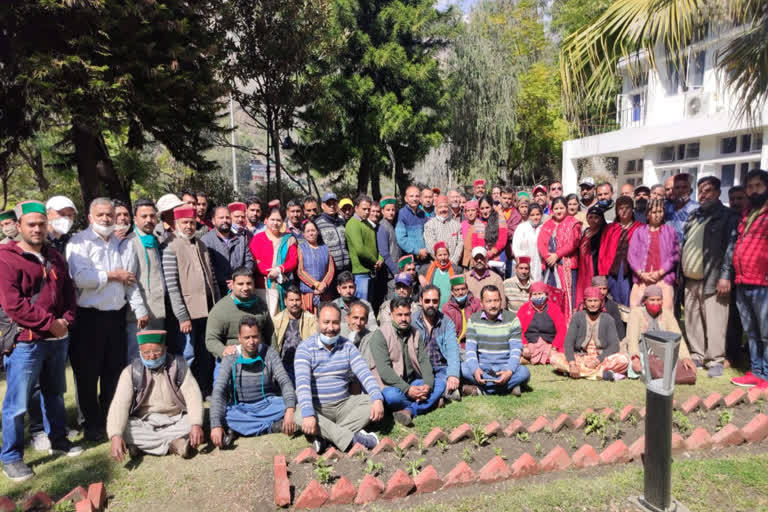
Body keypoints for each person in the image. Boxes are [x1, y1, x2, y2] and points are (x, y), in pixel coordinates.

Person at [0, 200, 82, 481]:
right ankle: (11, 457)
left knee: (55, 393)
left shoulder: (55, 256)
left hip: (57, 340)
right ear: (19, 226)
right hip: (27, 341)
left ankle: (58, 440)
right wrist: (51, 324)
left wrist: (67, 321)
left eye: (41, 224)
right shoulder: (5, 258)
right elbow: (14, 305)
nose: (37, 229)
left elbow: (69, 293)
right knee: (17, 402)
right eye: (31, 224)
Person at [68, 198, 148, 441]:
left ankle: (110, 419)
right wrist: (112, 275)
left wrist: (139, 308)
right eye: (100, 215)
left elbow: (130, 280)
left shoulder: (120, 244)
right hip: (89, 318)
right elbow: (81, 278)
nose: (106, 219)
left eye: (109, 215)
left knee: (114, 372)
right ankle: (91, 424)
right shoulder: (78, 242)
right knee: (88, 373)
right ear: (90, 217)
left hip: (116, 317)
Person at [293, 303, 384, 452]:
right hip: (319, 408)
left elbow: (364, 372)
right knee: (299, 414)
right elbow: (302, 385)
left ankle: (326, 439)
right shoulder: (305, 349)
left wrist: (377, 398)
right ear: (317, 322)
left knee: (371, 401)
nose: (330, 328)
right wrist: (309, 415)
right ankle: (354, 439)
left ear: (340, 323)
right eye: (326, 322)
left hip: (344, 405)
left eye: (335, 322)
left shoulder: (347, 346)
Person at [107, 330, 204, 461]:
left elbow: (194, 397)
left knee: (194, 421)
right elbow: (120, 404)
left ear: (165, 349)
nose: (152, 356)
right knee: (123, 429)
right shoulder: (130, 372)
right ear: (140, 351)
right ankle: (173, 444)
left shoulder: (180, 366)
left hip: (175, 419)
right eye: (146, 353)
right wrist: (115, 436)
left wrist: (196, 425)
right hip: (145, 421)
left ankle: (143, 446)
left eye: (157, 351)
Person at [681, 176, 739, 378]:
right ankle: (697, 354)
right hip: (690, 278)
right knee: (692, 319)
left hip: (713, 278)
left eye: (708, 191)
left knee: (716, 321)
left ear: (717, 193)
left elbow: (730, 249)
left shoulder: (727, 216)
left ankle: (715, 359)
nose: (703, 195)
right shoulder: (694, 215)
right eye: (701, 191)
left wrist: (725, 275)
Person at [209, 317, 296, 448]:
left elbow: (284, 381)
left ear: (260, 336)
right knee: (224, 415)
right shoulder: (230, 357)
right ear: (239, 338)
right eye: (247, 337)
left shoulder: (269, 353)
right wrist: (216, 424)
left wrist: (289, 409)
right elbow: (219, 389)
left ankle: (241, 430)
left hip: (268, 405)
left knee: (297, 403)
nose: (251, 342)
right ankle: (273, 426)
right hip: (241, 409)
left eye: (255, 337)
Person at [163, 205, 219, 397]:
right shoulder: (170, 247)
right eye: (184, 222)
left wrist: (216, 306)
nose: (188, 226)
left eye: (192, 222)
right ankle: (182, 393)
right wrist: (182, 316)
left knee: (205, 353)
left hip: (208, 310)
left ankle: (203, 388)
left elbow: (211, 278)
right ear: (177, 224)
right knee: (188, 354)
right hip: (187, 314)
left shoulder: (202, 245)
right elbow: (172, 286)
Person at [367, 297, 443, 426]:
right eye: (399, 315)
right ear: (391, 315)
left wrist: (427, 386)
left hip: (412, 382)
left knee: (440, 383)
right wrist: (408, 390)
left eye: (407, 315)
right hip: (390, 385)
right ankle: (430, 402)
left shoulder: (415, 333)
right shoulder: (380, 335)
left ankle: (409, 410)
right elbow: (384, 371)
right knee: (392, 397)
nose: (403, 319)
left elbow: (424, 361)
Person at [731, 169, 768, 389]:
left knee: (766, 333)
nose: (754, 190)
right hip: (744, 281)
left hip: (763, 284)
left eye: (758, 186)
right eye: (750, 186)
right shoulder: (747, 213)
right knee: (751, 332)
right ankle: (756, 371)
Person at [204, 267, 274, 382]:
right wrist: (223, 350)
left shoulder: (260, 305)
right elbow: (211, 339)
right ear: (232, 285)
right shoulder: (220, 309)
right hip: (231, 360)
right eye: (240, 284)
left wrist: (273, 359)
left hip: (258, 359)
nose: (245, 288)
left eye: (249, 283)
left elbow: (270, 333)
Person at [460, 285, 531, 396]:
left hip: (504, 367)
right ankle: (507, 388)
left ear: (501, 301)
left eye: (496, 301)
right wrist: (475, 370)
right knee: (463, 369)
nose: (493, 305)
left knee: (524, 372)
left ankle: (482, 390)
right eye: (489, 301)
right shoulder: (473, 320)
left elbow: (516, 350)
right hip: (482, 368)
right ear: (482, 304)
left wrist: (509, 371)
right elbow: (470, 350)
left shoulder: (512, 319)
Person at [551, 287, 628, 380]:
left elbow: (614, 346)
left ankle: (582, 373)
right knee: (554, 358)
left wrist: (597, 361)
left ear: (601, 302)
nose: (592, 304)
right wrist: (572, 364)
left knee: (623, 360)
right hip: (580, 358)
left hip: (601, 359)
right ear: (584, 302)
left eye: (596, 301)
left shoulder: (608, 319)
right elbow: (568, 343)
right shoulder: (577, 317)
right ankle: (601, 374)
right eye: (589, 301)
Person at [623, 286, 697, 384]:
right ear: (645, 301)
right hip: (640, 354)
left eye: (659, 299)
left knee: (678, 366)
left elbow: (678, 337)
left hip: (661, 355)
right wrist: (635, 358)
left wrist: (685, 357)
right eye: (652, 300)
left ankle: (661, 374)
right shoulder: (636, 313)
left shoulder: (667, 314)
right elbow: (632, 339)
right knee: (630, 364)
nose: (656, 303)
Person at [124, 199, 166, 362]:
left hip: (157, 310)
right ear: (135, 219)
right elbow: (129, 280)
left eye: (152, 216)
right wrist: (140, 310)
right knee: (138, 357)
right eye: (144, 216)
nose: (149, 220)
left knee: (156, 356)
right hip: (140, 315)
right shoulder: (130, 242)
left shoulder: (155, 240)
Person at [627, 198, 679, 309]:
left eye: (660, 212)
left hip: (663, 278)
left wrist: (659, 273)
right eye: (654, 212)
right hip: (642, 279)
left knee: (666, 311)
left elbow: (674, 256)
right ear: (647, 214)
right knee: (636, 309)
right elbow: (632, 256)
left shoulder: (670, 231)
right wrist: (641, 274)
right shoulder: (639, 232)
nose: (657, 215)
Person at [413, 286, 461, 402]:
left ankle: (438, 394)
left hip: (441, 369)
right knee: (417, 385)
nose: (431, 304)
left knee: (447, 379)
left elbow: (453, 350)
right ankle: (440, 396)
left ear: (439, 301)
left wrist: (453, 375)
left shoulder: (446, 322)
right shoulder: (412, 321)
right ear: (421, 301)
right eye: (427, 301)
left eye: (435, 301)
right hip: (420, 371)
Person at [538, 197, 581, 322]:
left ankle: (566, 324)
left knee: (566, 297)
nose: (559, 211)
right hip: (550, 267)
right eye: (556, 208)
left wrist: (556, 255)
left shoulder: (573, 223)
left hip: (566, 267)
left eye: (561, 208)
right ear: (552, 210)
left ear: (566, 208)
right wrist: (547, 257)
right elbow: (541, 243)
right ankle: (550, 323)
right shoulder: (547, 224)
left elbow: (573, 243)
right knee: (550, 295)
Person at [249, 205, 298, 315]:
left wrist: (279, 269)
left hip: (284, 285)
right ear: (266, 220)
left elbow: (293, 260)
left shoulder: (288, 239)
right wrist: (270, 272)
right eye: (272, 219)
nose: (275, 223)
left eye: (278, 220)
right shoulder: (258, 238)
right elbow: (255, 260)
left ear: (282, 222)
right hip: (263, 286)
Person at [598, 196, 642, 308]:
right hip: (612, 270)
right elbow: (603, 251)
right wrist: (602, 273)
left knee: (630, 300)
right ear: (617, 210)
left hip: (632, 272)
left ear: (632, 209)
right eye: (620, 208)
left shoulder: (640, 228)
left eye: (627, 208)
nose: (624, 211)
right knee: (612, 301)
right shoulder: (610, 228)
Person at [201, 206, 255, 299]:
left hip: (240, 290)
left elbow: (249, 261)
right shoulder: (206, 241)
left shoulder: (241, 239)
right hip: (217, 291)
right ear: (213, 221)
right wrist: (227, 282)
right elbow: (207, 267)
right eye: (221, 218)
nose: (225, 220)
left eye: (227, 217)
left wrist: (238, 279)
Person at [272, 285, 317, 380]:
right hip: (284, 365)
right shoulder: (277, 320)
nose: (294, 303)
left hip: (304, 364)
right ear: (285, 301)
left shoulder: (311, 319)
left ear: (302, 301)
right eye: (291, 300)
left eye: (297, 300)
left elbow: (314, 343)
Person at [517, 281, 566, 364]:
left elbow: (562, 329)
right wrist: (524, 346)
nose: (537, 296)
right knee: (518, 351)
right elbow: (517, 329)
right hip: (530, 344)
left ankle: (529, 359)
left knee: (557, 356)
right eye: (535, 294)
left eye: (540, 294)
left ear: (546, 295)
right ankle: (527, 357)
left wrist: (554, 347)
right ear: (530, 296)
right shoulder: (524, 309)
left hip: (549, 344)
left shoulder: (554, 308)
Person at [345, 195, 383, 302]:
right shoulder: (353, 224)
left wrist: (380, 259)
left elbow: (375, 245)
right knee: (362, 305)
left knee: (369, 305)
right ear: (356, 208)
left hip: (371, 271)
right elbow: (360, 250)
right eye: (364, 209)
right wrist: (375, 261)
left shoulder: (367, 224)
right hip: (360, 272)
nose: (367, 212)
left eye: (368, 209)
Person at [296, 219, 334, 313]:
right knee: (309, 321)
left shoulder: (325, 248)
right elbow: (300, 271)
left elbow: (331, 269)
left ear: (317, 232)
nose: (311, 233)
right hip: (308, 293)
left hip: (324, 292)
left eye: (313, 230)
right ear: (303, 234)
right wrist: (316, 285)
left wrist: (323, 285)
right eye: (308, 231)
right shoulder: (301, 248)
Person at [576, 206, 606, 307]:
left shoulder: (603, 233)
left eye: (596, 217)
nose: (593, 220)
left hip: (594, 267)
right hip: (583, 267)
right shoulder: (585, 231)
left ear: (601, 219)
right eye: (590, 217)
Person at [442, 275, 482, 348]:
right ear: (452, 292)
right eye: (457, 290)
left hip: (473, 343)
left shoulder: (476, 303)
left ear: (467, 289)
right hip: (455, 345)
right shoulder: (447, 308)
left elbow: (480, 325)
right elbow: (447, 332)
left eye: (463, 289)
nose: (460, 292)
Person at [315, 193, 351, 276]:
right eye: (328, 203)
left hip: (346, 269)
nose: (332, 206)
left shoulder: (342, 222)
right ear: (322, 205)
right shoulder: (318, 224)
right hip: (329, 271)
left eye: (334, 203)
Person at [333, 271, 378, 335]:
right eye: (344, 287)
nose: (348, 291)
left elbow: (373, 328)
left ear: (355, 287)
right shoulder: (333, 307)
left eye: (351, 287)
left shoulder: (365, 305)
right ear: (338, 289)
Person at [473, 195, 508, 276]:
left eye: (487, 207)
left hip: (497, 261)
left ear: (492, 207)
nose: (485, 211)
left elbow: (502, 241)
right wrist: (481, 256)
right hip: (481, 261)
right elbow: (474, 243)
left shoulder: (500, 219)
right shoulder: (477, 222)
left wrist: (489, 254)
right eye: (482, 208)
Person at [424, 195, 462, 268]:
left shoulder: (457, 225)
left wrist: (453, 261)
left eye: (445, 207)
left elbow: (460, 244)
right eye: (440, 207)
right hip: (436, 265)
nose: (443, 209)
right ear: (436, 209)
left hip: (453, 265)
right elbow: (430, 245)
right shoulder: (429, 225)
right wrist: (441, 260)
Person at [419, 242, 460, 309]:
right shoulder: (428, 268)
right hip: (433, 308)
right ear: (435, 256)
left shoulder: (456, 270)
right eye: (440, 255)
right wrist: (420, 276)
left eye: (445, 254)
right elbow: (419, 271)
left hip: (450, 309)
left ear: (449, 255)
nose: (443, 258)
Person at [396, 185, 429, 264]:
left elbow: (427, 234)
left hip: (424, 257)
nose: (414, 199)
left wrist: (426, 250)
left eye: (417, 196)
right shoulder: (402, 214)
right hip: (410, 260)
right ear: (406, 199)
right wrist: (417, 251)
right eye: (411, 196)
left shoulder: (423, 214)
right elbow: (401, 239)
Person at [376, 196, 401, 300]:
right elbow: (384, 253)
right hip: (390, 273)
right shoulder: (382, 227)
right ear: (382, 211)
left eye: (393, 209)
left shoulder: (392, 225)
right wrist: (395, 271)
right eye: (388, 210)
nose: (391, 212)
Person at [512, 203, 544, 282]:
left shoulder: (544, 227)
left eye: (538, 214)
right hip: (524, 265)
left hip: (539, 264)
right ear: (528, 216)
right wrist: (523, 264)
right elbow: (516, 247)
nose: (535, 217)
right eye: (532, 215)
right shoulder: (522, 228)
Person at [665, 173, 699, 245]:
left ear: (691, 191)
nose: (681, 190)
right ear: (673, 191)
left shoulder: (698, 209)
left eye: (684, 187)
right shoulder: (667, 208)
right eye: (677, 188)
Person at [591, 276, 626, 340]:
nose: (602, 292)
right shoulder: (585, 305)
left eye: (604, 289)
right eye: (599, 288)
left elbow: (618, 327)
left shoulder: (612, 306)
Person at [461, 200, 481, 268]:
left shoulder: (481, 225)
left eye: (473, 210)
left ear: (477, 212)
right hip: (464, 261)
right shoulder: (462, 225)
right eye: (468, 211)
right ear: (465, 213)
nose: (470, 213)